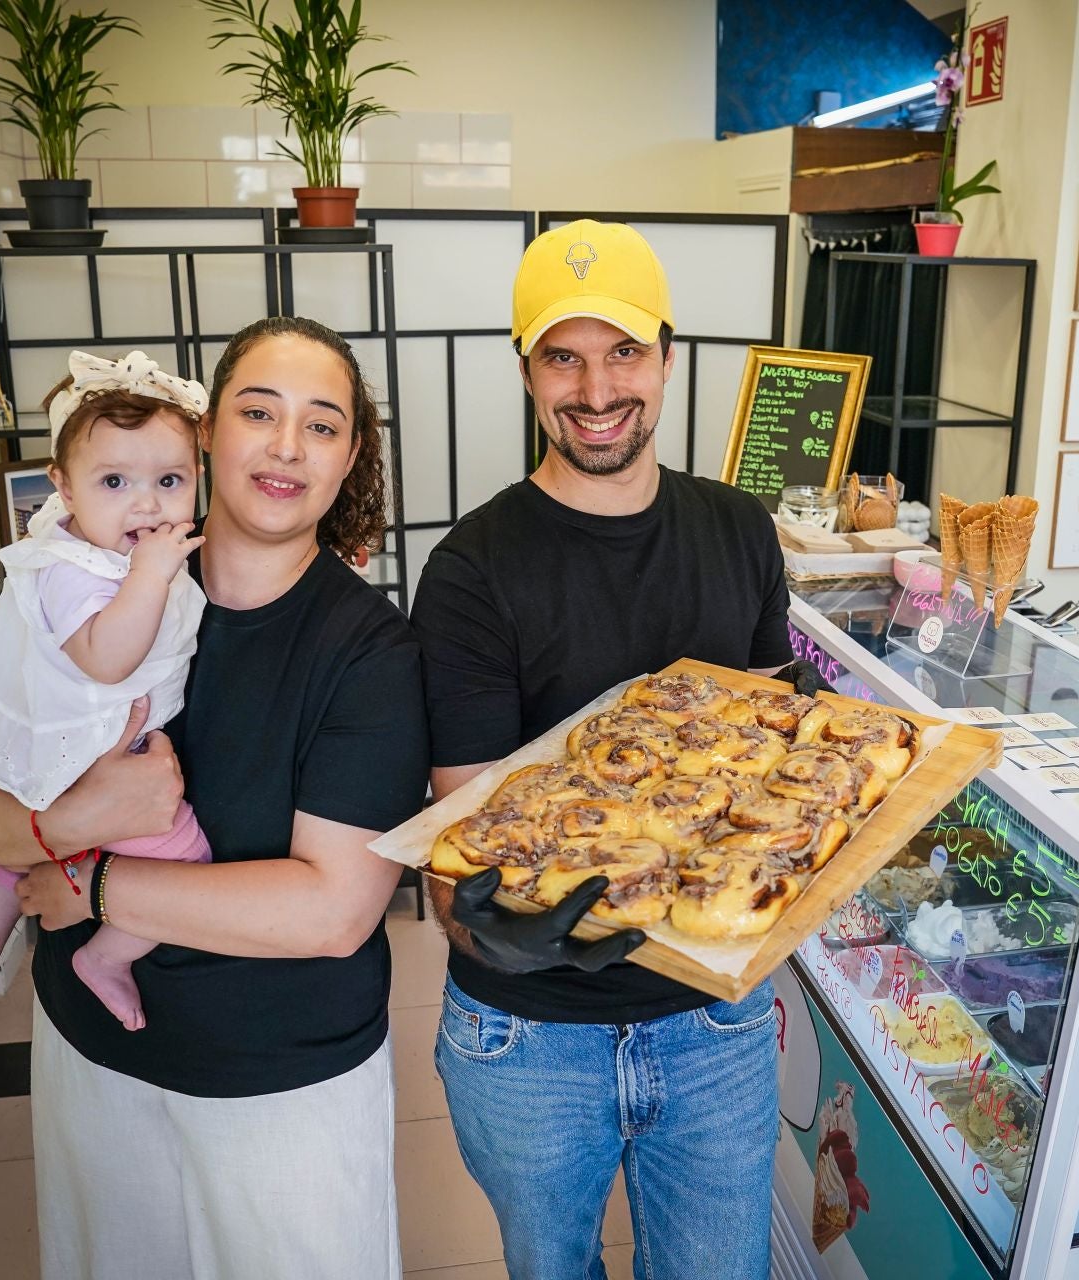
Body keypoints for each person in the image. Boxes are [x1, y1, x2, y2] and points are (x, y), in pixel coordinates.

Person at [0, 316, 425, 1280]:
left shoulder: (368, 651)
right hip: (92, 1056)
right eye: (257, 412)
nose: (286, 446)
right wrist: (69, 824)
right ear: (205, 436)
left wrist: (95, 886)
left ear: (351, 455)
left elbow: (332, 911)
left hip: (280, 1083)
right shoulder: (79, 585)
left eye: (322, 426)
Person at [411, 220, 799, 1280]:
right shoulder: (471, 570)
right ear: (529, 371)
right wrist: (498, 926)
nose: (595, 388)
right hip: (531, 1040)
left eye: (622, 350)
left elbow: (768, 753)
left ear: (668, 356)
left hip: (714, 1023)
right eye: (563, 356)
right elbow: (465, 839)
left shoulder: (740, 530)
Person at [0, 350, 215, 1032]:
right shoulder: (71, 569)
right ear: (63, 490)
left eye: (169, 479)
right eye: (114, 482)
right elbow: (106, 657)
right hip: (94, 750)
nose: (147, 503)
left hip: (73, 761)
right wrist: (150, 578)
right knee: (185, 859)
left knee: (17, 853)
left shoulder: (115, 550)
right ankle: (105, 958)